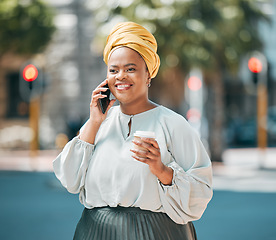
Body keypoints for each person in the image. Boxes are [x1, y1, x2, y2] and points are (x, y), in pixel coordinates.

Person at [53, 21, 213, 240]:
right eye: (113, 70)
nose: (121, 76)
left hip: (156, 233)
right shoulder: (98, 124)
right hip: (94, 232)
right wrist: (93, 122)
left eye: (131, 69)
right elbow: (70, 180)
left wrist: (162, 171)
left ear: (148, 75)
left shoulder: (173, 124)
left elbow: (200, 192)